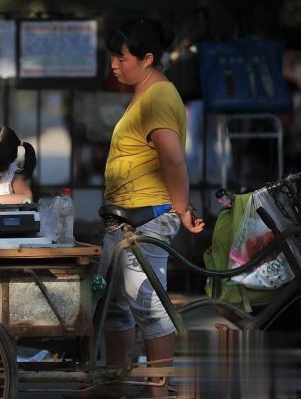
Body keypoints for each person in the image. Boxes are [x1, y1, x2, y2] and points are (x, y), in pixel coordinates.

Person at [96, 18, 205, 398]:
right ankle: (117, 385)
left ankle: (159, 391)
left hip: (145, 221)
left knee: (149, 309)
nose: (113, 64)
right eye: (112, 56)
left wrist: (181, 209)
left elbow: (173, 160)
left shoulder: (158, 97)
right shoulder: (145, 92)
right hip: (123, 220)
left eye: (120, 57)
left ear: (147, 58)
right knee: (113, 308)